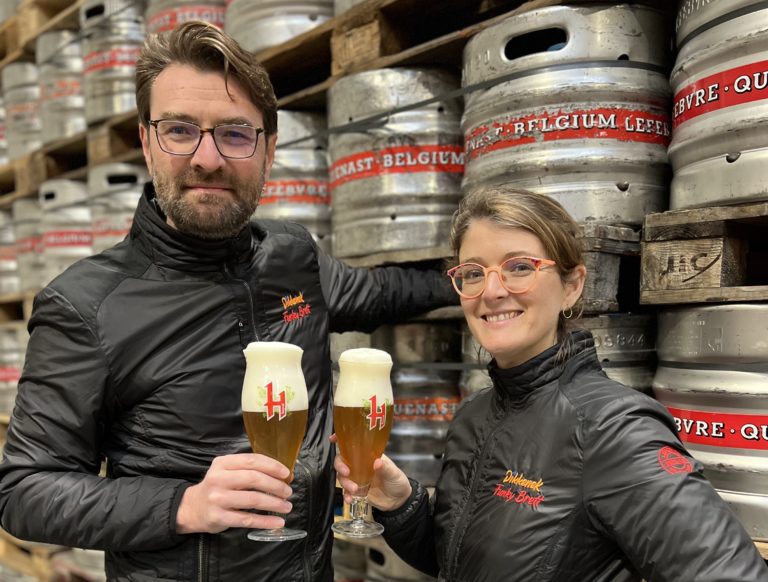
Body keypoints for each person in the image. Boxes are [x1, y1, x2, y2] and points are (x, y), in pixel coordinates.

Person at [0, 22, 456, 582]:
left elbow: (381, 293)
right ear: (146, 141)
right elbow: (24, 490)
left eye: (236, 134)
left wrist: (477, 278)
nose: (208, 158)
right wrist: (182, 506)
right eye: (180, 130)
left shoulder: (293, 258)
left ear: (268, 147)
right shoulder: (87, 305)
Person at [335, 186, 768, 581]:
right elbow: (459, 560)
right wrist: (402, 504)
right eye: (472, 272)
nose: (492, 290)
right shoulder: (474, 415)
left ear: (572, 287)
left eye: (519, 267)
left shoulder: (613, 428)